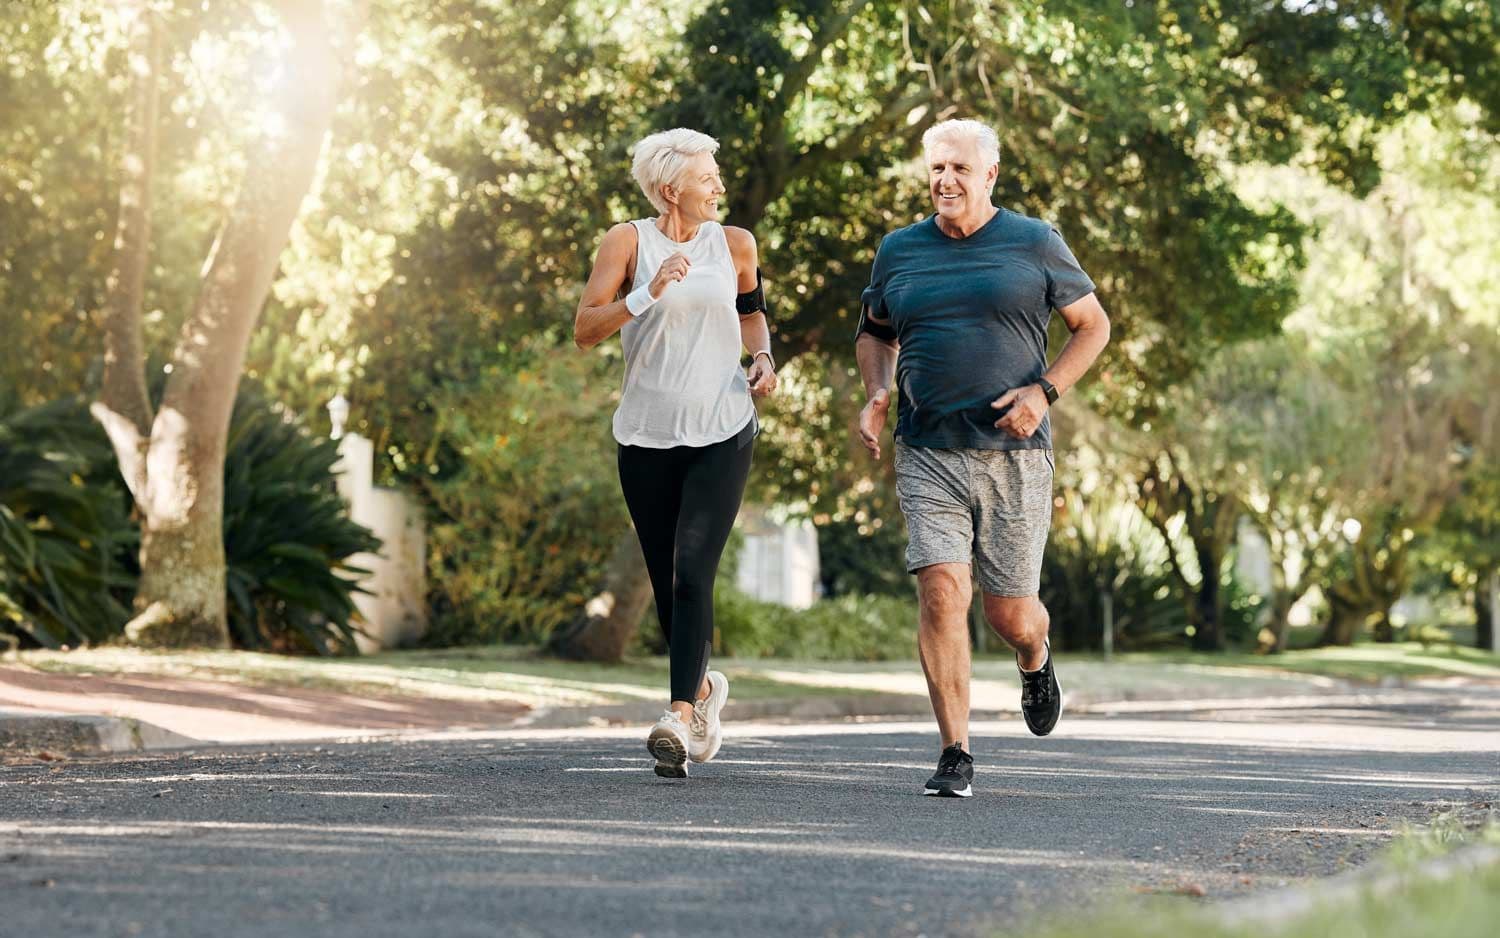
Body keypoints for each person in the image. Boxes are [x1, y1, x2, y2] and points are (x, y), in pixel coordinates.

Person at [854, 118, 1111, 798]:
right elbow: (875, 334)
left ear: (990, 174)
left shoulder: (1035, 241)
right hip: (927, 447)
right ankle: (955, 751)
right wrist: (878, 390)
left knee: (1009, 615)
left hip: (1014, 452)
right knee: (942, 590)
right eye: (937, 168)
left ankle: (1035, 654)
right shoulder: (899, 250)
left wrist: (1044, 392)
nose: (946, 180)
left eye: (960, 168)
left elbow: (1093, 326)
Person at [574, 128, 777, 778]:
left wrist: (763, 357)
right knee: (667, 582)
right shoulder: (627, 242)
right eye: (707, 177)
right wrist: (647, 291)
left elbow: (751, 313)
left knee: (693, 570)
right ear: (671, 190)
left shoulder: (735, 243)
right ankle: (706, 690)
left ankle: (678, 717)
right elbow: (585, 329)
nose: (719, 185)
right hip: (645, 436)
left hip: (722, 429)